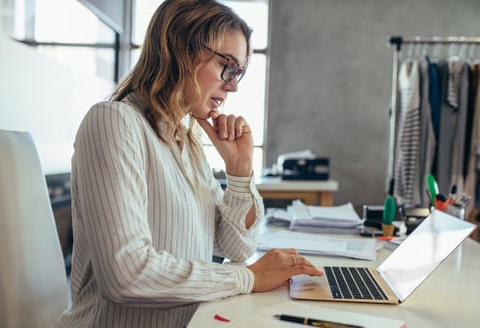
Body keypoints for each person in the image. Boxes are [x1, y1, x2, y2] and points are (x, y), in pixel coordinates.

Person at [58, 0, 322, 327]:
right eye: (228, 66)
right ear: (180, 49)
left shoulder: (186, 141)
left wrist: (240, 171)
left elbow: (237, 245)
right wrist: (248, 278)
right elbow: (126, 274)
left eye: (239, 72)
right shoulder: (114, 122)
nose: (234, 85)